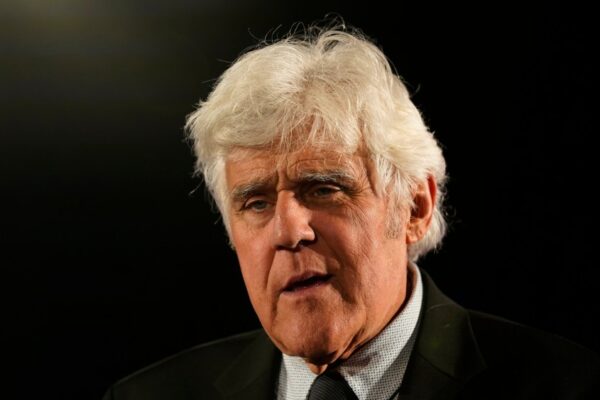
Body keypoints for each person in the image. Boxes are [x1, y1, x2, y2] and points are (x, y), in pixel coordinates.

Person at [102, 23, 599, 399]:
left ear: (415, 208)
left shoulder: (566, 385)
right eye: (256, 203)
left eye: (323, 189)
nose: (288, 231)